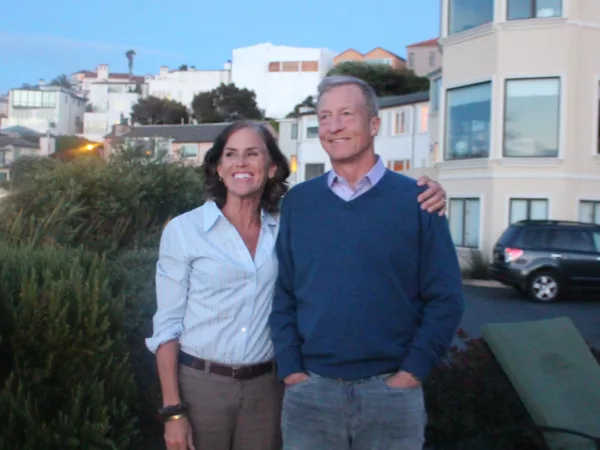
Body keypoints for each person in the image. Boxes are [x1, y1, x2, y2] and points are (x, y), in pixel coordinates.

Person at [145, 120, 449, 450]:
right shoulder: (185, 230)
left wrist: (424, 193)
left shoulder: (291, 221)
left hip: (267, 388)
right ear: (218, 168)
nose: (241, 163)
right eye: (230, 154)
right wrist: (173, 411)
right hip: (201, 385)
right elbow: (168, 324)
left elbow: (346, 201)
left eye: (253, 153)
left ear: (273, 167)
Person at [269, 76, 465, 450]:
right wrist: (292, 369)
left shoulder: (418, 201)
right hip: (311, 394)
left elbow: (446, 298)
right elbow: (285, 294)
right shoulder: (299, 203)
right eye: (324, 117)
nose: (333, 126)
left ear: (374, 125)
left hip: (390, 395)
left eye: (346, 114)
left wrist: (411, 373)